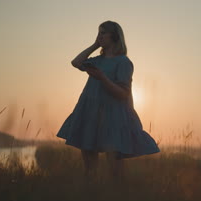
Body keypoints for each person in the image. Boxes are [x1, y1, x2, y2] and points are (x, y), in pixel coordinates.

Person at [57, 21, 160, 183]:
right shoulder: (98, 60)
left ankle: (117, 198)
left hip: (113, 116)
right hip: (90, 112)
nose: (100, 35)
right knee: (89, 168)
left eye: (103, 32)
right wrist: (94, 45)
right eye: (98, 32)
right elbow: (76, 62)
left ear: (114, 36)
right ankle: (92, 197)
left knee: (115, 170)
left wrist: (102, 78)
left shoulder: (123, 62)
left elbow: (123, 93)